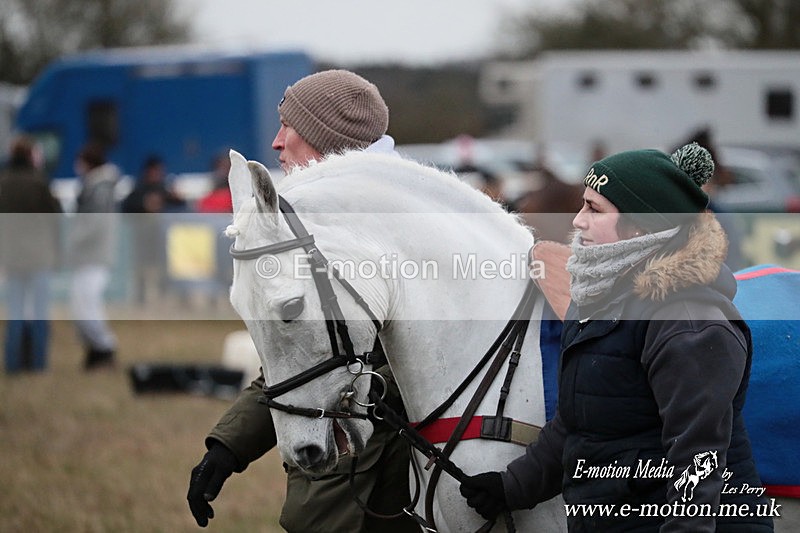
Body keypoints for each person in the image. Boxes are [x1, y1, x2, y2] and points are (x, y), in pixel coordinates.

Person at [460, 143, 773, 531]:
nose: (577, 221)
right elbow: (580, 422)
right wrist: (512, 486)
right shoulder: (599, 296)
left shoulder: (689, 321)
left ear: (640, 225)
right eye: (583, 204)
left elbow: (697, 462)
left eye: (595, 209)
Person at [187, 70, 417, 533]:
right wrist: (227, 449)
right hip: (334, 494)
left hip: (406, 489)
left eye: (287, 128)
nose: (275, 143)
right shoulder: (320, 226)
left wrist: (361, 389)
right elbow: (304, 357)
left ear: (323, 138)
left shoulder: (405, 225)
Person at [0, 135, 62, 373]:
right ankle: (38, 365)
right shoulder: (39, 182)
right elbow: (54, 219)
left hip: (12, 257)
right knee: (39, 313)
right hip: (39, 256)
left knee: (15, 314)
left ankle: (13, 364)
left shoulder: (3, 182)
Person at [69, 141, 120, 369]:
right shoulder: (97, 186)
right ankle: (97, 350)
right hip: (91, 255)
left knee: (87, 305)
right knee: (82, 305)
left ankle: (104, 348)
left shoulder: (99, 188)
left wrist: (74, 239)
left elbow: (94, 224)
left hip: (94, 255)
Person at [122, 155, 186, 305]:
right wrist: (144, 205)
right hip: (142, 236)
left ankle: (163, 296)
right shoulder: (139, 188)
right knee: (141, 268)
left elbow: (179, 203)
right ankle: (141, 299)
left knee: (164, 267)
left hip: (161, 236)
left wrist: (177, 197)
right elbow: (126, 207)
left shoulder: (163, 188)